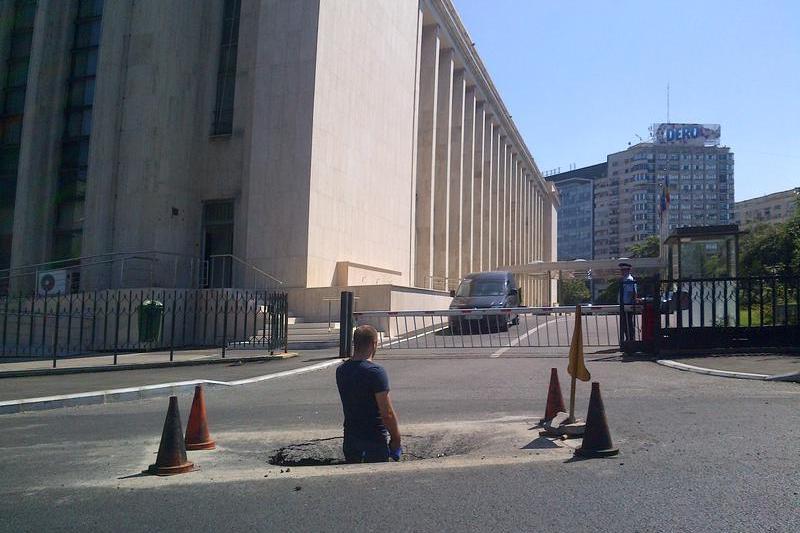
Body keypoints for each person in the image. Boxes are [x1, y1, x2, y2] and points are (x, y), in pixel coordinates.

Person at [336, 325, 402, 463]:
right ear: (374, 344)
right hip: (374, 441)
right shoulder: (376, 372)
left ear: (355, 343)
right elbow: (387, 413)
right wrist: (396, 439)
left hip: (351, 439)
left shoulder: (341, 370)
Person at [618, 262, 638, 346]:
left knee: (628, 323)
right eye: (622, 270)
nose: (622, 272)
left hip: (627, 304)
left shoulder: (629, 280)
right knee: (625, 324)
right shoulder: (624, 279)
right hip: (624, 304)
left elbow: (631, 293)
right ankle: (628, 339)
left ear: (628, 270)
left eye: (624, 270)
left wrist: (631, 303)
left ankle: (630, 340)